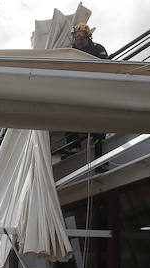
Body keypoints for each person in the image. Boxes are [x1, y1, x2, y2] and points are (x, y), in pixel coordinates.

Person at [64, 23, 109, 163]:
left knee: (98, 119)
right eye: (76, 36)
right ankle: (74, 147)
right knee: (67, 115)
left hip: (96, 89)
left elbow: (106, 65)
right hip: (75, 89)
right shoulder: (70, 51)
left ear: (88, 36)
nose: (78, 39)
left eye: (81, 35)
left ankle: (98, 144)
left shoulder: (98, 48)